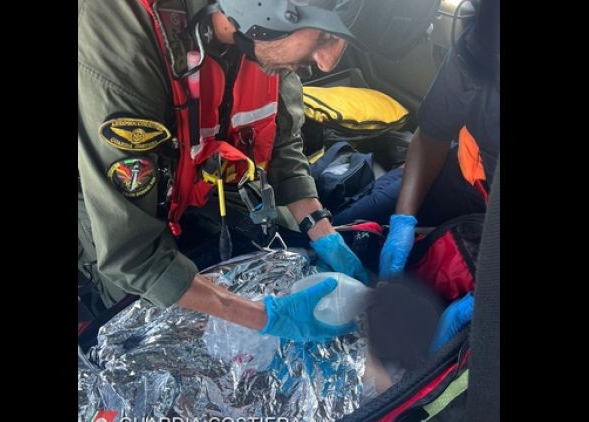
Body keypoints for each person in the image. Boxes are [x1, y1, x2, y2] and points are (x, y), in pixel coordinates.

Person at [78, 0, 374, 342]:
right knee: (145, 323)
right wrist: (266, 317)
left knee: (288, 244)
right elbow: (132, 254)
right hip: (111, 191)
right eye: (323, 37)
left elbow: (282, 142)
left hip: (207, 174)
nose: (327, 63)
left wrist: (322, 231)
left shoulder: (267, 34)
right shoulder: (122, 39)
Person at [379, 0, 500, 281]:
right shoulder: (475, 51)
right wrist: (403, 221)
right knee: (356, 229)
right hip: (467, 180)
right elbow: (433, 132)